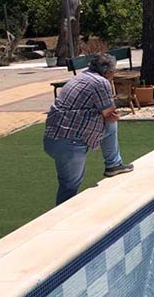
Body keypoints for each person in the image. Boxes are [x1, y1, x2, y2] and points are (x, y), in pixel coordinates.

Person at [43, 53, 133, 205]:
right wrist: (113, 112)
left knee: (110, 124)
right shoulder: (101, 82)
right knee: (69, 187)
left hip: (53, 138)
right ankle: (63, 222)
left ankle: (114, 164)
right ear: (109, 72)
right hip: (69, 142)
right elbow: (109, 113)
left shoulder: (82, 77)